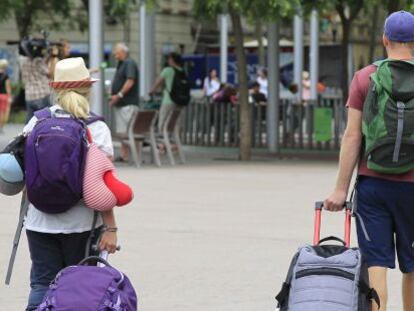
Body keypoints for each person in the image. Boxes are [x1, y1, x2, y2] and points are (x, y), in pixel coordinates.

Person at [324, 11, 414, 311]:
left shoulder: (365, 77)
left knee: (376, 265)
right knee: (412, 266)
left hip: (373, 184)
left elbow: (352, 137)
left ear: (384, 40)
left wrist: (339, 189)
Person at [23, 57, 118, 311]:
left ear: (55, 88)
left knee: (42, 285)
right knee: (78, 290)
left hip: (39, 222)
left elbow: (23, 173)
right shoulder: (95, 127)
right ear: (87, 88)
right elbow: (103, 185)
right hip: (82, 224)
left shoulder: (36, 122)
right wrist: (111, 228)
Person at [110, 42, 139, 162]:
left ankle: (134, 155)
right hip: (122, 103)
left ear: (123, 52)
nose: (114, 54)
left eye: (116, 52)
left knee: (128, 131)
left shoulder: (129, 63)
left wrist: (119, 95)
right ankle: (124, 155)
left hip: (127, 103)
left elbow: (130, 81)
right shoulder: (122, 64)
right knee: (123, 131)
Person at [149, 52, 184, 132]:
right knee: (177, 122)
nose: (168, 61)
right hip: (180, 101)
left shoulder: (167, 70)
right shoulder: (182, 71)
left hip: (168, 101)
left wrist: (151, 91)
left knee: (163, 122)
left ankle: (163, 141)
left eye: (169, 59)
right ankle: (175, 141)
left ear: (172, 60)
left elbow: (157, 83)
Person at [20, 47, 51, 123]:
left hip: (29, 95)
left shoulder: (23, 62)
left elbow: (23, 79)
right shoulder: (38, 61)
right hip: (41, 94)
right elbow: (48, 72)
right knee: (44, 120)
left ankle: (28, 134)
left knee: (30, 121)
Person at [0, 59, 12, 131]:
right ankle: (1, 127)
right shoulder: (6, 76)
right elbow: (8, 87)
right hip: (3, 96)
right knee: (2, 112)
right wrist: (10, 97)